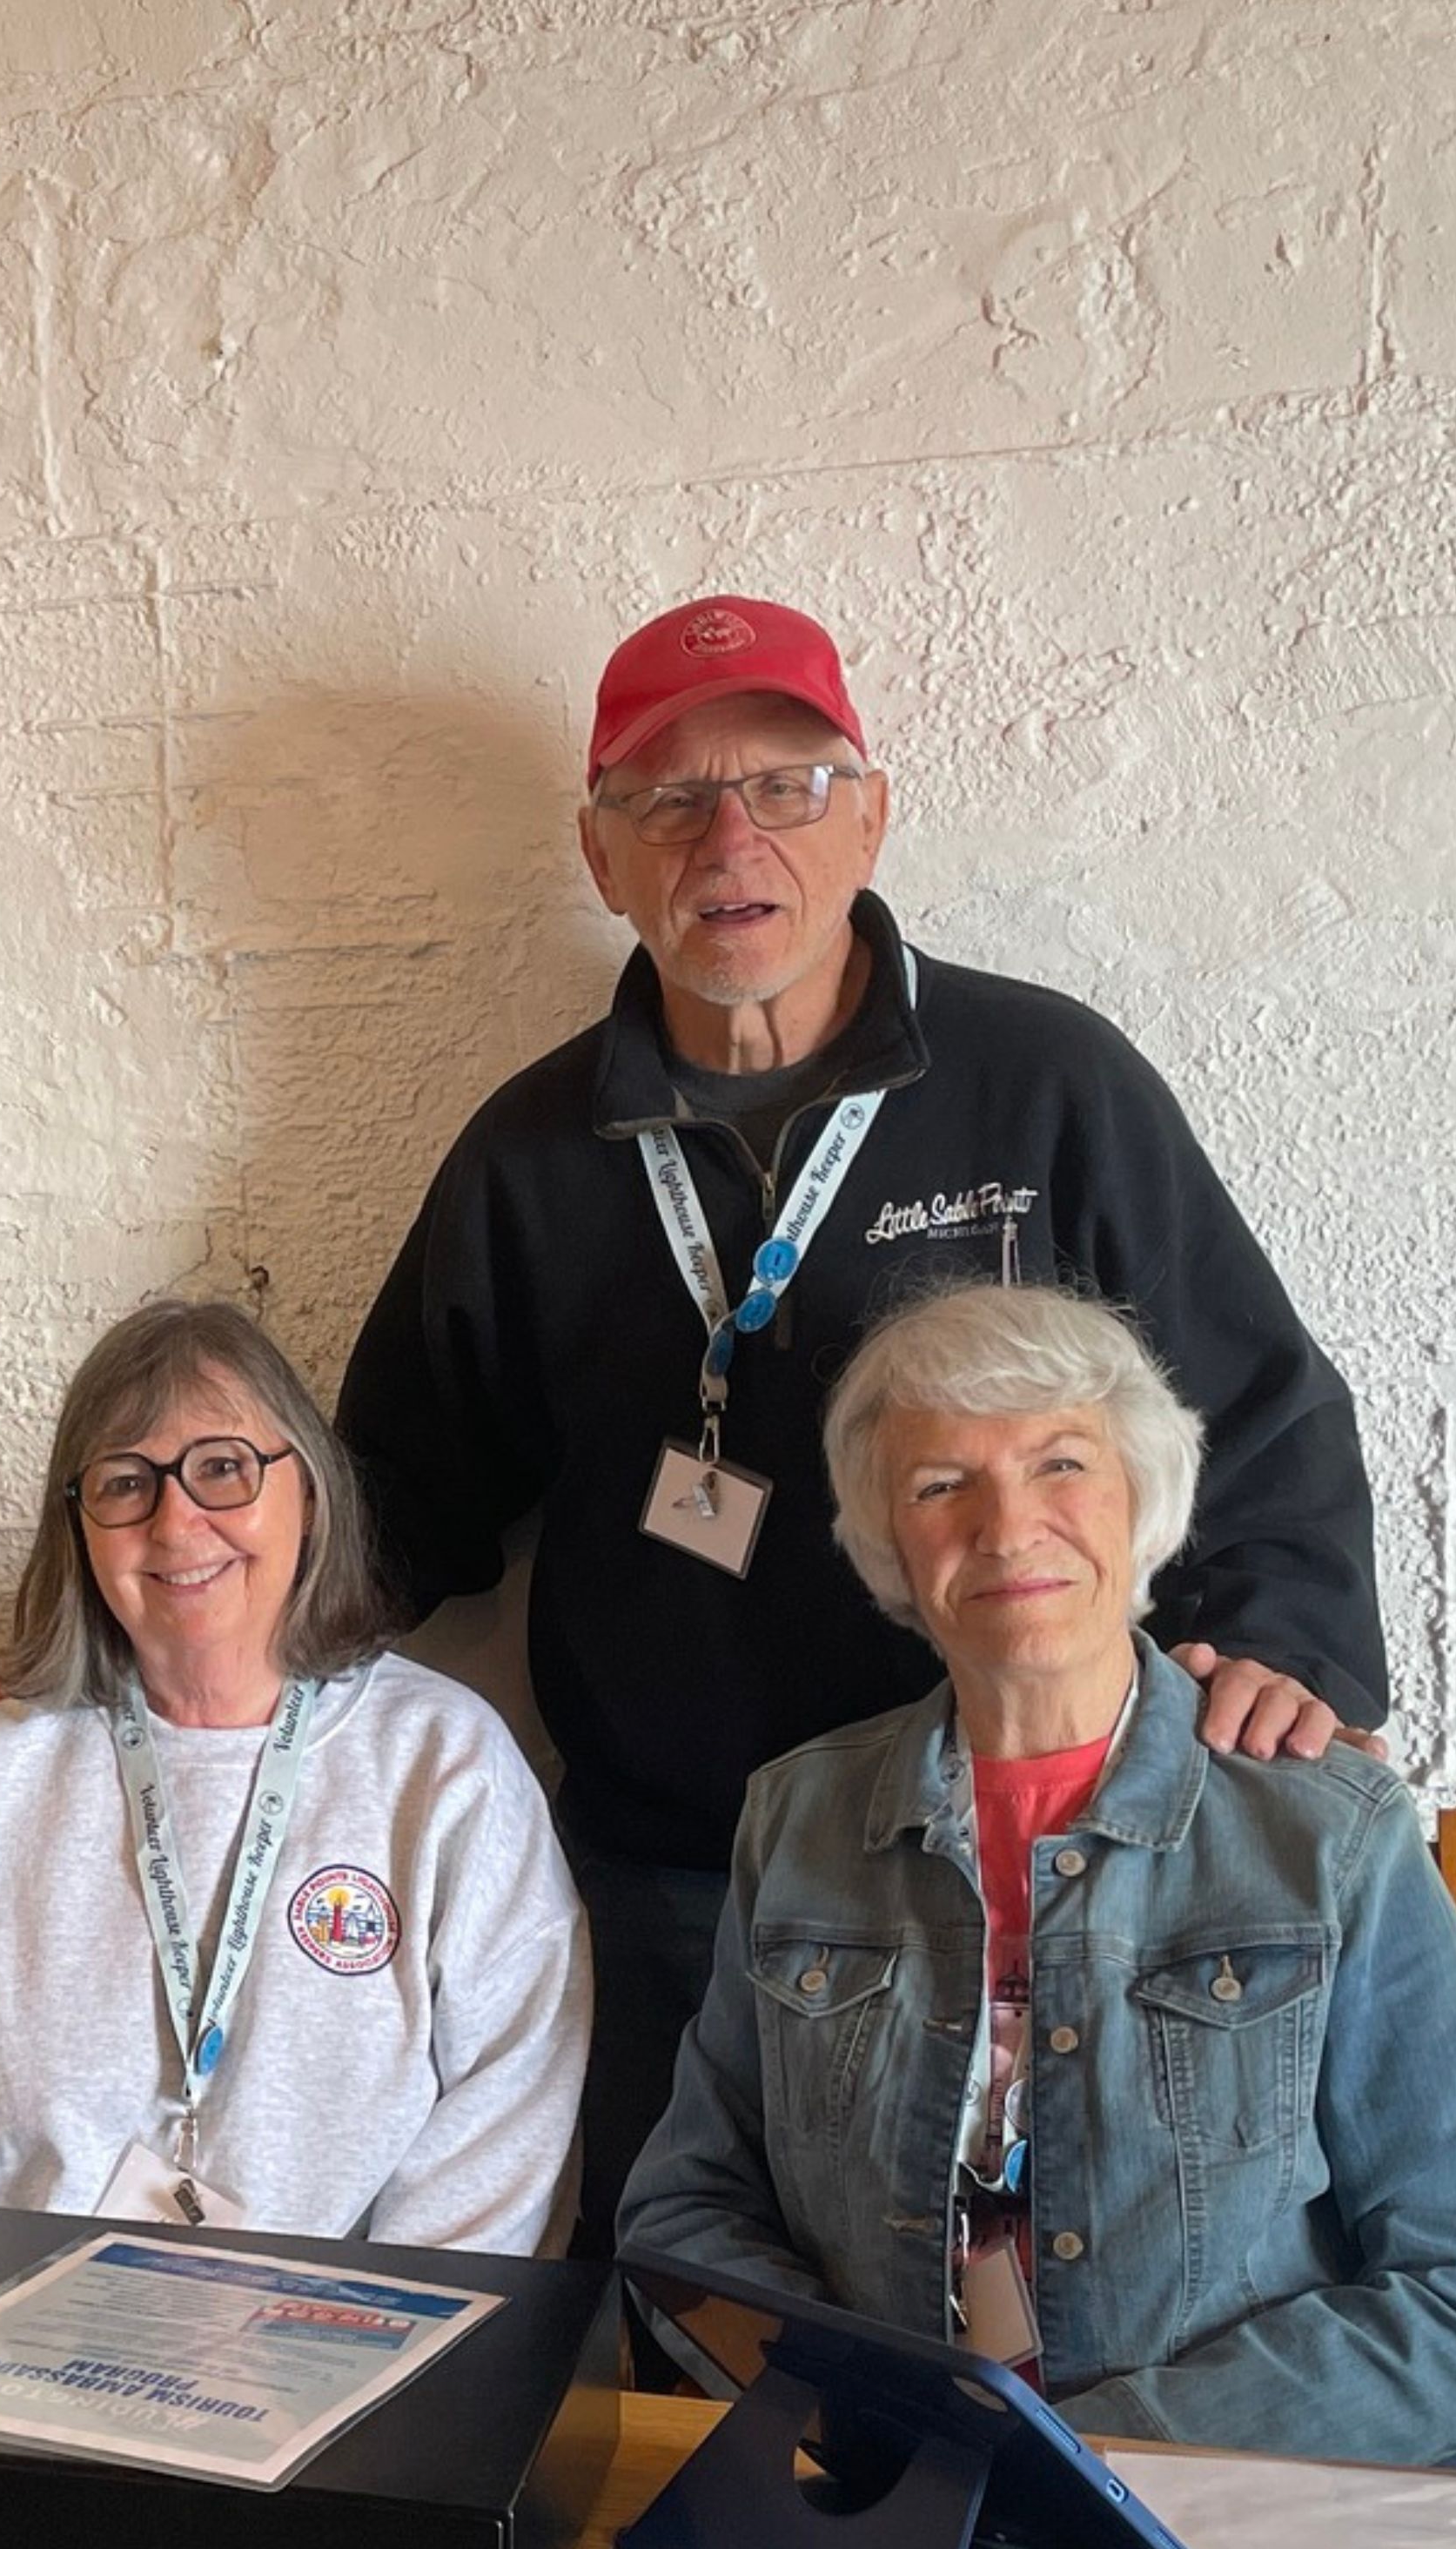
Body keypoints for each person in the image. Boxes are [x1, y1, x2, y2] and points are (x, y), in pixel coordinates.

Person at [333, 594, 1390, 2284]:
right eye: (668, 800)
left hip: (1025, 1871)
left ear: (872, 814)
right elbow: (393, 1491)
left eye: (786, 785)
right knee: (697, 2334)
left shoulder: (1047, 1082)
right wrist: (174, 1652)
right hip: (680, 1888)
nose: (728, 838)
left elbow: (1249, 1397)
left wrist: (1287, 1633)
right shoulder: (526, 1153)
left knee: (1058, 2323)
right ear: (600, 855)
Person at [621, 1285, 1456, 2466]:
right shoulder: (796, 1818)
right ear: (888, 1542)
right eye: (939, 1484)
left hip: (1272, 2528)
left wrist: (1087, 2464)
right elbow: (690, 2209)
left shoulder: (1329, 1832)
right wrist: (878, 2426)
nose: (1008, 1526)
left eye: (1061, 1463)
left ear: (1143, 1502)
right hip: (905, 2518)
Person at [0, 1300, 587, 2349]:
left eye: (222, 1468)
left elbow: (505, 2126)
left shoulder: (445, 1770)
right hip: (10, 2393)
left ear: (309, 1487)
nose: (174, 1525)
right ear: (77, 1527)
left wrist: (333, 2364)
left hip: (348, 2405)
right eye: (124, 1483)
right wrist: (13, 2362)